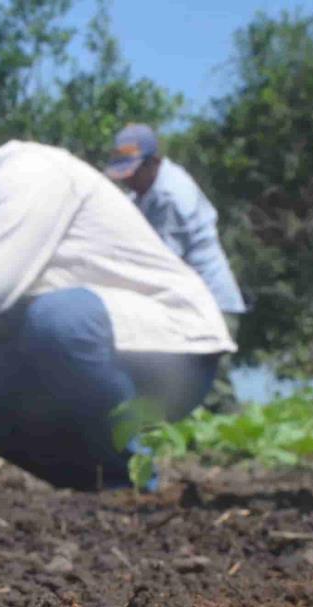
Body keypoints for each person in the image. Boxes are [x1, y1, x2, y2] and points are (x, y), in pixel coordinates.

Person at [0, 105, 236, 490]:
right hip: (87, 359)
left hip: (172, 357)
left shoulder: (28, 173)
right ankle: (89, 484)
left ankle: (130, 482)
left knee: (56, 320)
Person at [105, 123, 246, 412]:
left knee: (214, 386)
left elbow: (162, 262)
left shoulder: (171, 195)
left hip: (210, 302)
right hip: (188, 301)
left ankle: (241, 444)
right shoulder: (144, 193)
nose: (128, 181)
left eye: (133, 172)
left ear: (153, 162)